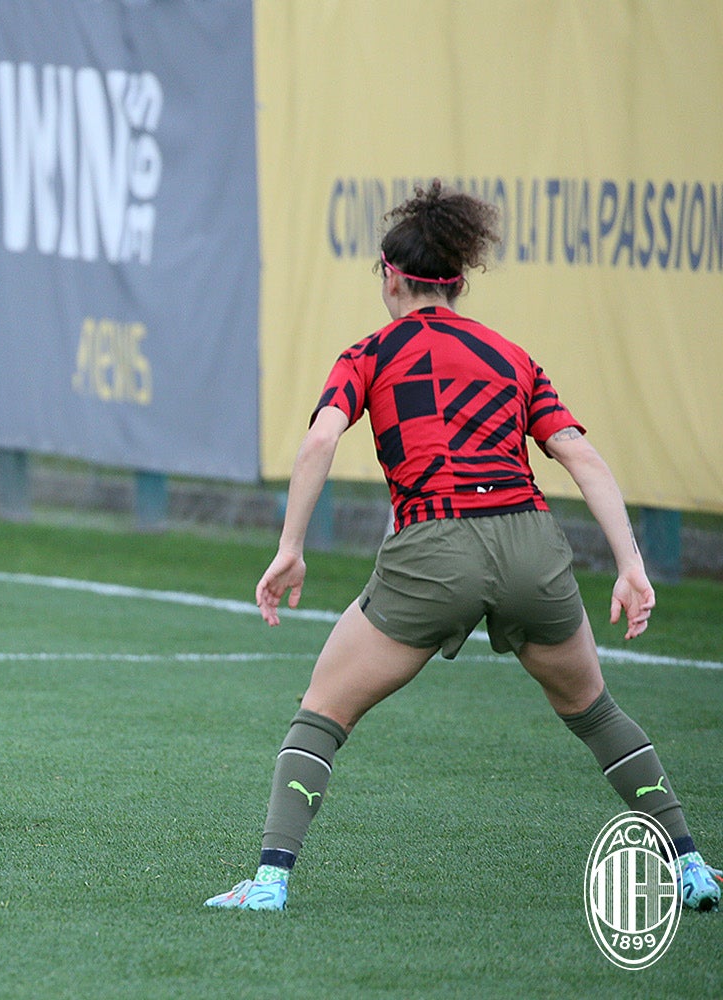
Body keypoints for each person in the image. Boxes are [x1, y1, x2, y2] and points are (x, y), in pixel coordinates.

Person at [205, 181, 719, 911]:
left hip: (433, 546)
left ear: (390, 274)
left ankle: (268, 884)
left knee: (321, 714)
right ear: (460, 276)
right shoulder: (511, 355)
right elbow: (580, 455)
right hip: (531, 547)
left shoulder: (371, 353)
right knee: (596, 711)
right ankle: (692, 865)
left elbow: (322, 436)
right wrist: (631, 566)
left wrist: (290, 547)